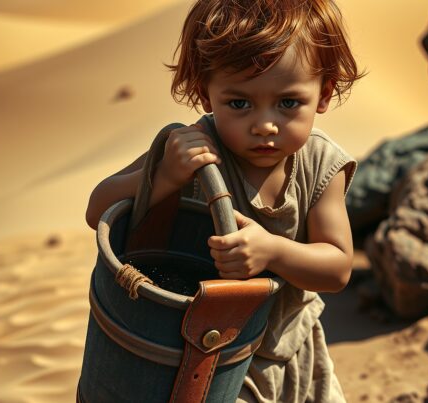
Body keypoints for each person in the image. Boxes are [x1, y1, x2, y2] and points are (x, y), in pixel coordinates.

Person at [86, 0, 363, 401]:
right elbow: (97, 212)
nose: (265, 124)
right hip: (209, 355)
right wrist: (165, 175)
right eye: (239, 103)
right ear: (205, 95)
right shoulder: (196, 148)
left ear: (324, 92)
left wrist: (272, 251)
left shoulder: (321, 164)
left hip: (294, 351)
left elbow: (337, 269)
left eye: (288, 103)